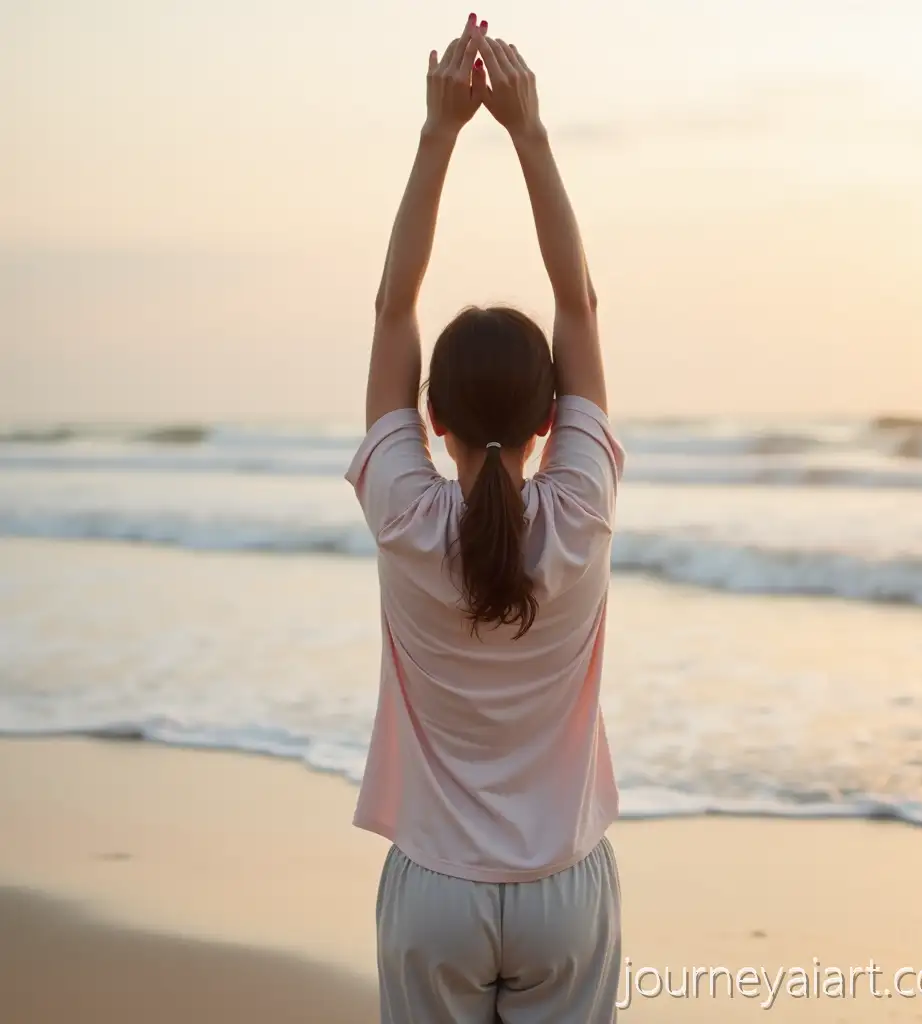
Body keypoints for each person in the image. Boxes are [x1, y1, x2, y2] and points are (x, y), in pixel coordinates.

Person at [345, 13, 625, 1022]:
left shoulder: (404, 513)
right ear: (553, 417)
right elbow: (579, 306)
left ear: (430, 419)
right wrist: (528, 133)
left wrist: (439, 135)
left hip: (436, 892)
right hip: (564, 888)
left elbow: (392, 310)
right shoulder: (580, 509)